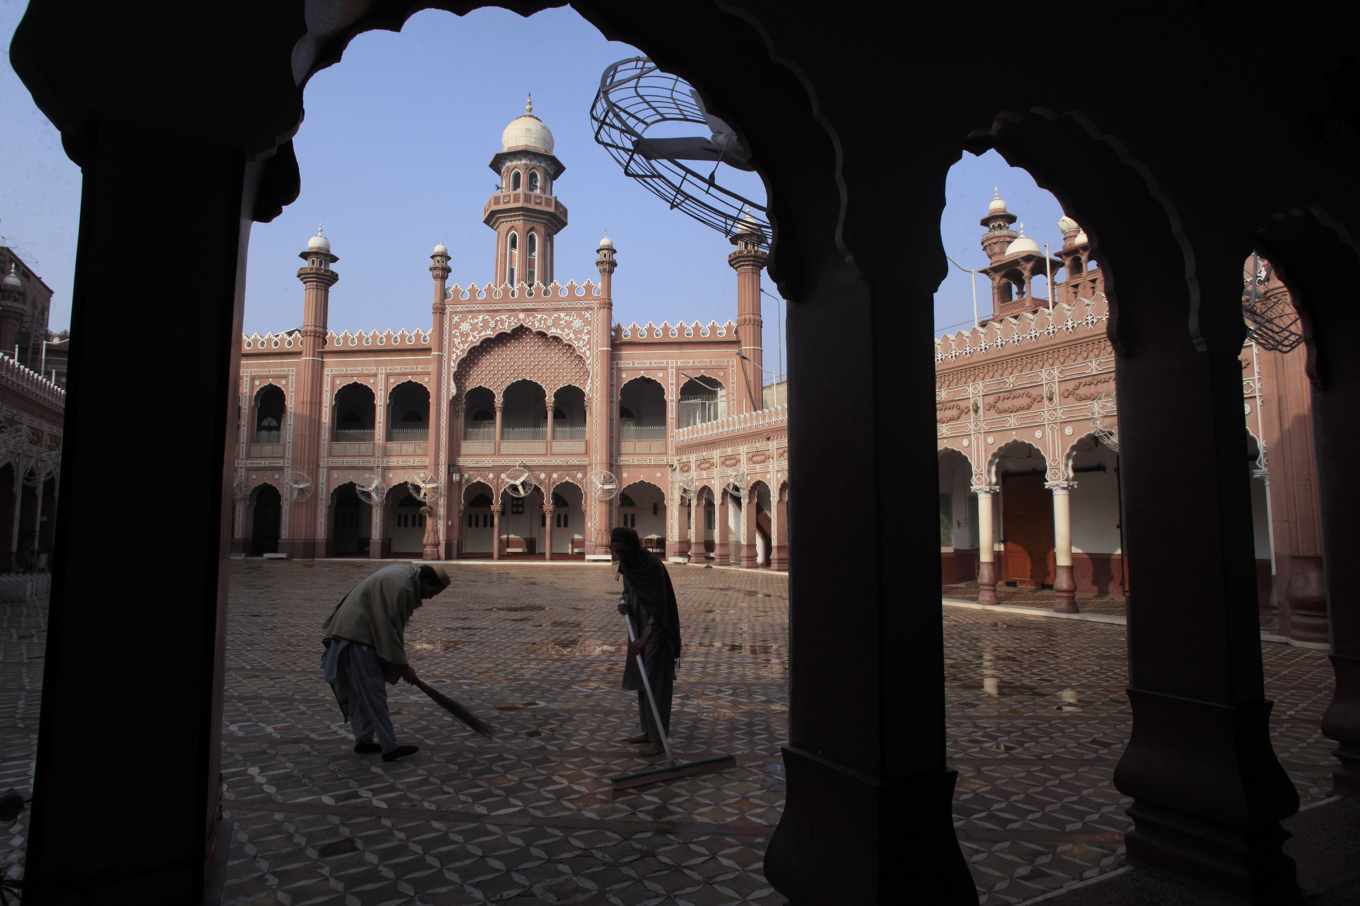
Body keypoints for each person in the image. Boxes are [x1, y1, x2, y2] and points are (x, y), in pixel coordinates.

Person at [321, 562, 451, 762]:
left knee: (360, 694)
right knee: (373, 694)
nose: (430, 598)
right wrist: (403, 666)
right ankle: (390, 747)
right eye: (433, 592)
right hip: (358, 638)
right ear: (425, 582)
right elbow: (389, 629)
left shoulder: (405, 575)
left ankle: (363, 741)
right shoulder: (403, 587)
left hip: (352, 634)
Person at [611, 525, 682, 757]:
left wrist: (646, 636)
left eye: (622, 552)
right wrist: (625, 602)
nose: (620, 556)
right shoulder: (627, 564)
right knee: (643, 681)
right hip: (637, 628)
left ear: (632, 547)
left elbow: (660, 606)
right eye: (616, 552)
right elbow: (627, 591)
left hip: (656, 631)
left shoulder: (651, 565)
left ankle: (660, 738)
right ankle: (648, 731)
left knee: (656, 684)